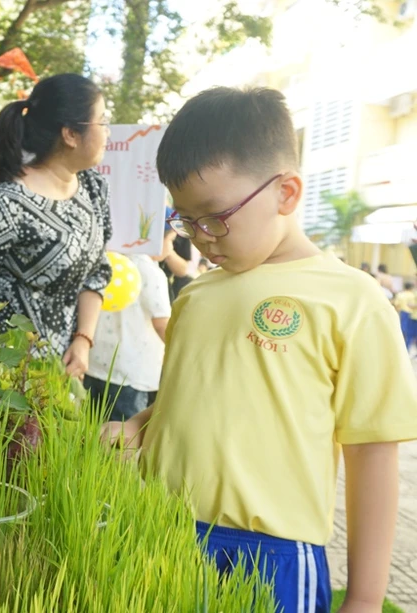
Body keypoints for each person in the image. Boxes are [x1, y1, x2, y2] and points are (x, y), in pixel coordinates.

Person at [101, 87, 417, 613]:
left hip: (270, 553)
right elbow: (190, 396)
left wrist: (364, 597)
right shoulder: (195, 295)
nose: (201, 238)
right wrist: (137, 427)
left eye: (214, 216)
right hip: (161, 530)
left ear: (286, 193)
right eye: (185, 220)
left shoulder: (353, 300)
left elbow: (372, 451)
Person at [0, 73, 112, 377]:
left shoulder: (93, 189)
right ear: (70, 134)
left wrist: (83, 339)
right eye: (102, 121)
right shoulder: (2, 205)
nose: (107, 132)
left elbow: (97, 271)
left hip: (64, 374)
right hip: (2, 380)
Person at [83, 227, 172, 422]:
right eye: (170, 241)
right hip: (130, 374)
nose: (171, 248)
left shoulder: (105, 260)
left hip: (94, 363)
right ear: (156, 239)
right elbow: (162, 324)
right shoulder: (149, 271)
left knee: (90, 430)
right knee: (121, 435)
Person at [394, 281, 416, 355]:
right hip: (412, 314)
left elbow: (396, 304)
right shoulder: (413, 295)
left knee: (402, 330)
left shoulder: (400, 294)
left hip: (403, 313)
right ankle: (407, 348)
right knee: (410, 333)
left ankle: (402, 347)